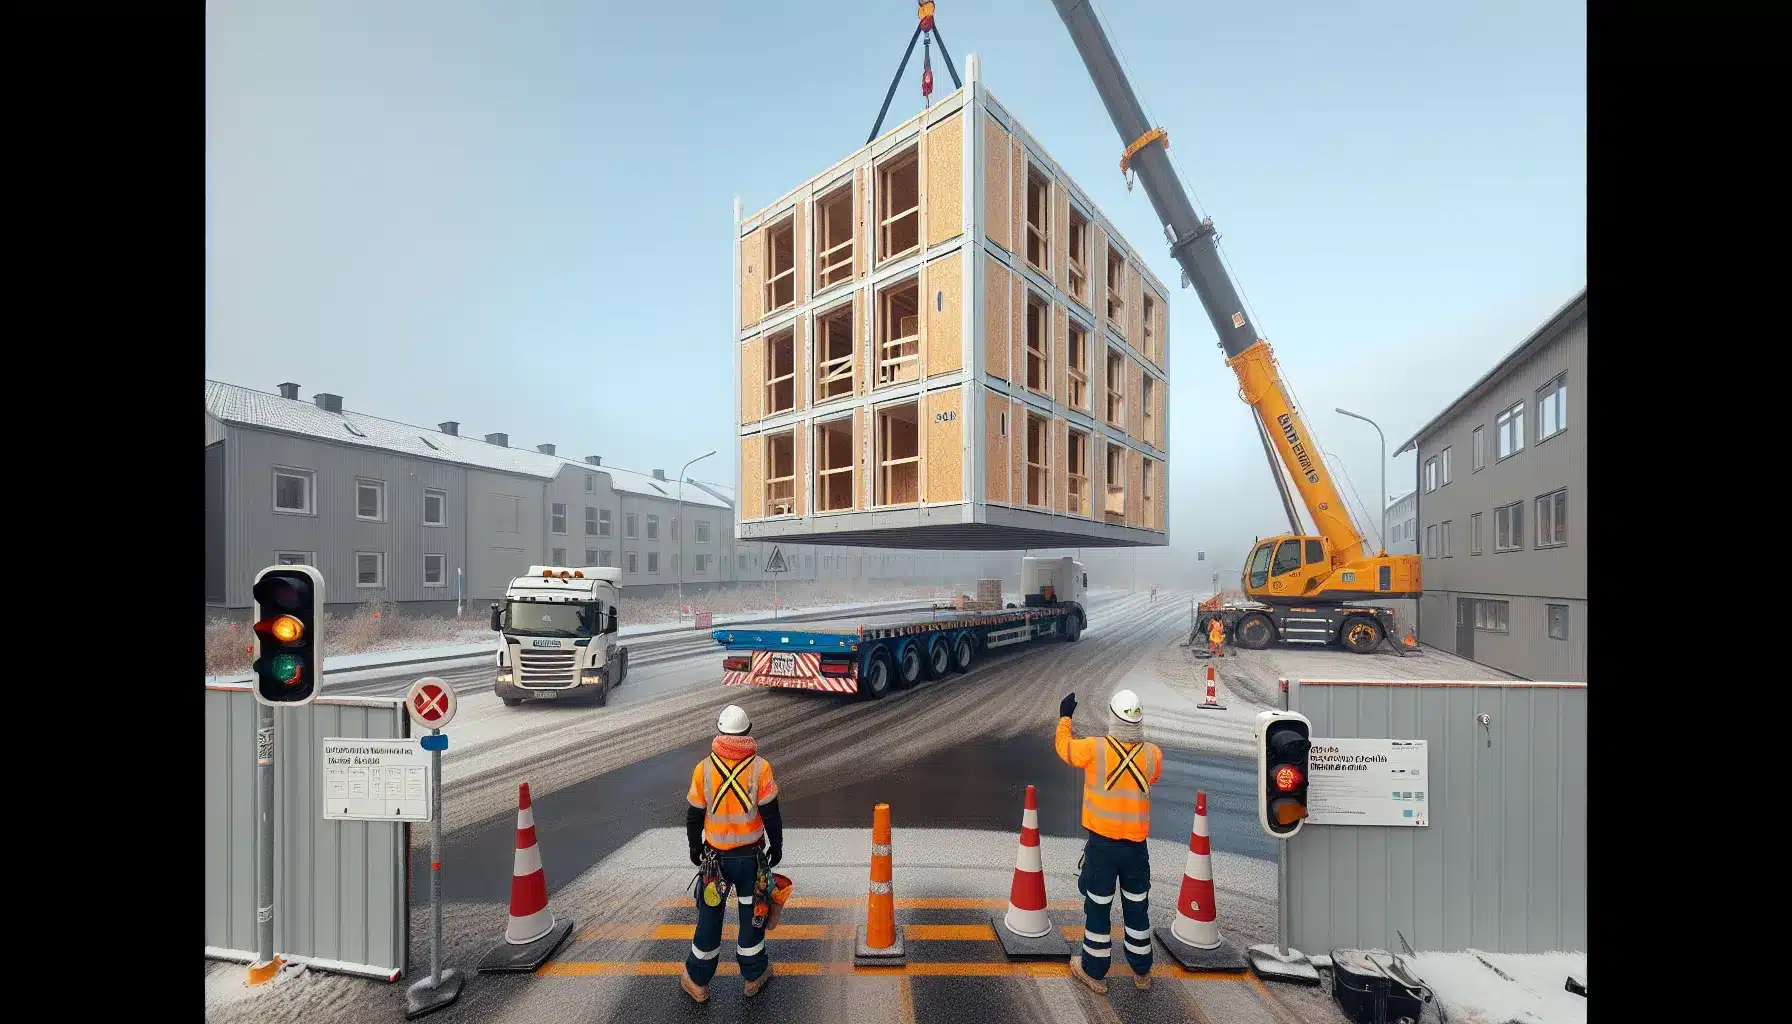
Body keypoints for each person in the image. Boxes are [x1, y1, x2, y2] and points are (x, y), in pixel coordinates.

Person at [1055, 689, 1164, 994]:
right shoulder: (1153, 755)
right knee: (1137, 908)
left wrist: (1065, 717)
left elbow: (1064, 749)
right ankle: (1142, 972)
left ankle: (1093, 970)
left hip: (1102, 849)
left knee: (1098, 908)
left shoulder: (1094, 749)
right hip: (1136, 851)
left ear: (1113, 719)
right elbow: (1149, 778)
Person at [681, 704, 782, 1003]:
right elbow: (771, 814)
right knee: (753, 916)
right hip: (750, 860)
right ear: (747, 732)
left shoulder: (704, 768)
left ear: (720, 731)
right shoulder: (760, 767)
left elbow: (694, 816)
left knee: (710, 916)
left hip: (715, 861)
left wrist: (694, 848)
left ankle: (697, 980)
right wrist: (776, 846)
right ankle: (754, 976)